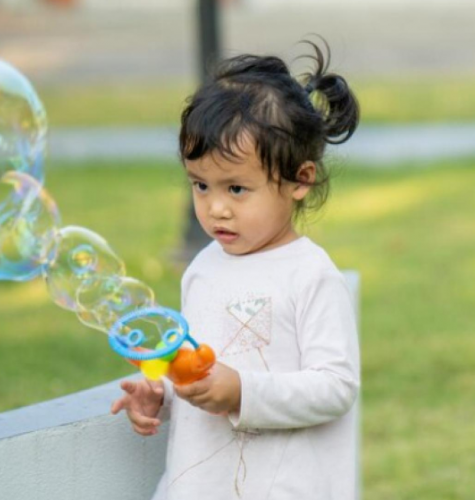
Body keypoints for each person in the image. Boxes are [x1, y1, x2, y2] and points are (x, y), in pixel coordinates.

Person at [111, 39, 361, 500]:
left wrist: (244, 392)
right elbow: (200, 365)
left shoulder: (309, 275)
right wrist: (162, 395)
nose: (216, 208)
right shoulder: (204, 267)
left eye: (237, 189)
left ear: (300, 180)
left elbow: (335, 387)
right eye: (201, 185)